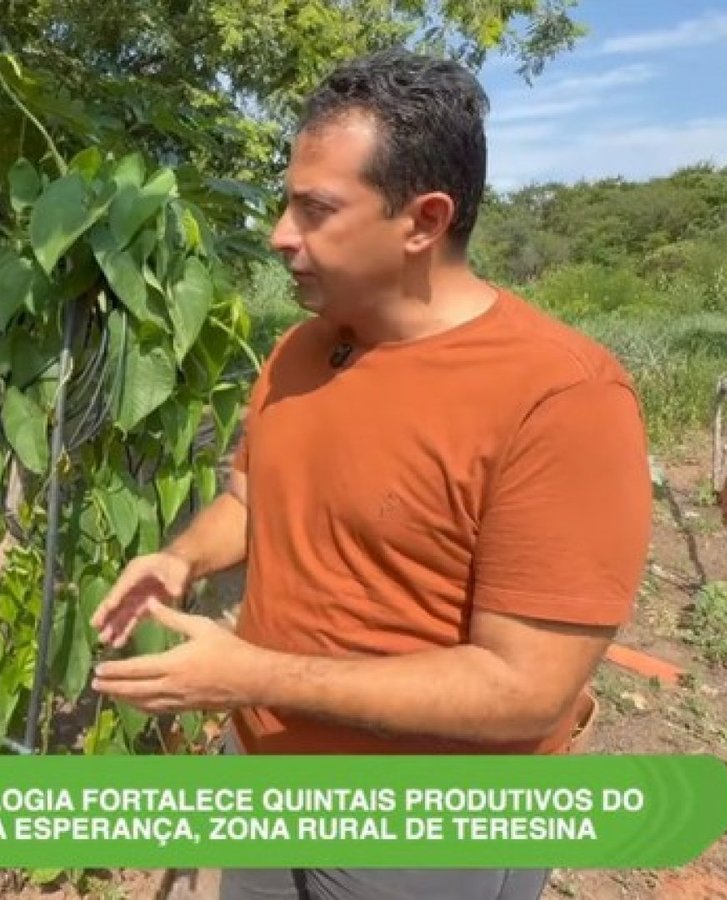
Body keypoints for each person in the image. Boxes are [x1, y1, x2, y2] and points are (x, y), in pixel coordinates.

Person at [90, 49, 652, 900]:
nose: (281, 233)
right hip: (267, 772)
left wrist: (250, 674)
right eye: (288, 202)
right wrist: (183, 560)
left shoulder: (562, 397)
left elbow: (527, 690)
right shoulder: (304, 347)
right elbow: (256, 496)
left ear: (423, 220)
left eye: (316, 210)